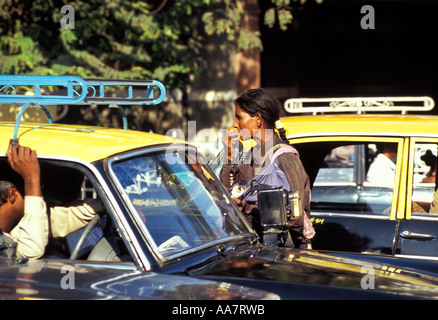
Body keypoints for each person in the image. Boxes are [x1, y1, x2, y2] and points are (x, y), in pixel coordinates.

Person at [219, 88, 313, 249]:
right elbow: (226, 194)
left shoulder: (285, 157)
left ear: (257, 119)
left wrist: (247, 208)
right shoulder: (249, 157)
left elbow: (295, 217)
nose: (235, 124)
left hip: (283, 255)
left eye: (239, 118)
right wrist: (229, 156)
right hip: (255, 250)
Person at [0, 143, 103, 259]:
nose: (39, 196)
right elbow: (32, 250)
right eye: (31, 191)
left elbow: (57, 217)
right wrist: (31, 179)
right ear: (12, 194)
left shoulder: (17, 224)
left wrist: (102, 205)